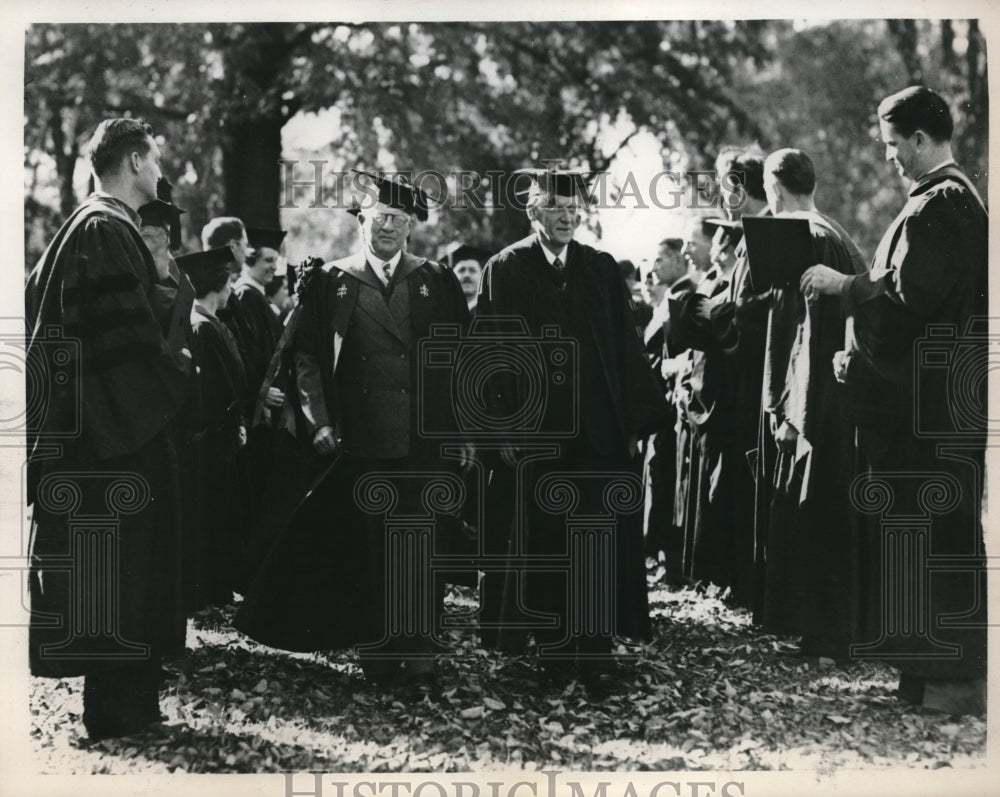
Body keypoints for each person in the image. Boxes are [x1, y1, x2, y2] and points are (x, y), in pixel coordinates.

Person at [235, 172, 471, 694]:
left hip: (422, 445)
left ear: (412, 227)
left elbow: (458, 359)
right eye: (379, 218)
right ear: (361, 221)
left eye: (399, 220)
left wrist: (461, 430)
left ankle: (421, 660)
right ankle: (380, 655)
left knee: (420, 550)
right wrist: (319, 421)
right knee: (370, 552)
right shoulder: (331, 281)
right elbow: (308, 360)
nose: (388, 228)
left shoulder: (436, 280)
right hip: (358, 445)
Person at [801, 86, 987, 714]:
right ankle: (924, 679)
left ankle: (949, 685)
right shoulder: (952, 204)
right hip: (936, 403)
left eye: (891, 147)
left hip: (928, 411)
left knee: (930, 536)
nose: (888, 160)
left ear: (917, 140)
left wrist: (843, 286)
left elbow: (908, 301)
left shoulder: (941, 205)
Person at [25, 118, 191, 739]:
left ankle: (131, 708)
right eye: (153, 160)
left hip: (100, 429)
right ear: (131, 161)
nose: (160, 172)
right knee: (121, 572)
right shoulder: (103, 228)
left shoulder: (86, 227)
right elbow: (127, 345)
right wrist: (176, 370)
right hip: (112, 435)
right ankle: (118, 715)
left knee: (120, 571)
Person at [476, 168, 669, 693]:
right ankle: (555, 652)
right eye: (554, 207)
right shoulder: (506, 269)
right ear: (533, 211)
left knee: (596, 540)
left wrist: (633, 423)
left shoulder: (600, 268)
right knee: (545, 543)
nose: (566, 216)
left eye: (572, 209)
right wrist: (503, 429)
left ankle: (597, 651)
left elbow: (626, 349)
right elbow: (488, 356)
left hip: (598, 434)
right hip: (537, 438)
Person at [755, 148, 867, 658]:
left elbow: (807, 336)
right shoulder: (837, 233)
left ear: (774, 188)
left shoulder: (808, 239)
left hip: (819, 402)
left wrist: (791, 417)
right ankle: (829, 630)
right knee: (828, 509)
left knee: (819, 509)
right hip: (836, 398)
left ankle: (827, 634)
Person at [176, 247, 250, 613]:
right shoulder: (201, 327)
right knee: (209, 516)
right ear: (219, 284)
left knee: (221, 513)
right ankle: (206, 592)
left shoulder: (213, 322)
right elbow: (213, 389)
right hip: (211, 438)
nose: (233, 286)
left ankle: (218, 589)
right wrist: (231, 421)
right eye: (230, 280)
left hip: (223, 433)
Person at [235, 227, 288, 493]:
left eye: (276, 262)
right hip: (259, 409)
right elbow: (247, 353)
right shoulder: (246, 296)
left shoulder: (259, 297)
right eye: (268, 261)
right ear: (249, 259)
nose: (273, 269)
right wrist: (261, 391)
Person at [441, 242, 491, 314]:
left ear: (481, 276)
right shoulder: (443, 313)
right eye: (461, 270)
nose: (466, 275)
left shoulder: (489, 313)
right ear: (452, 276)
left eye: (472, 270)